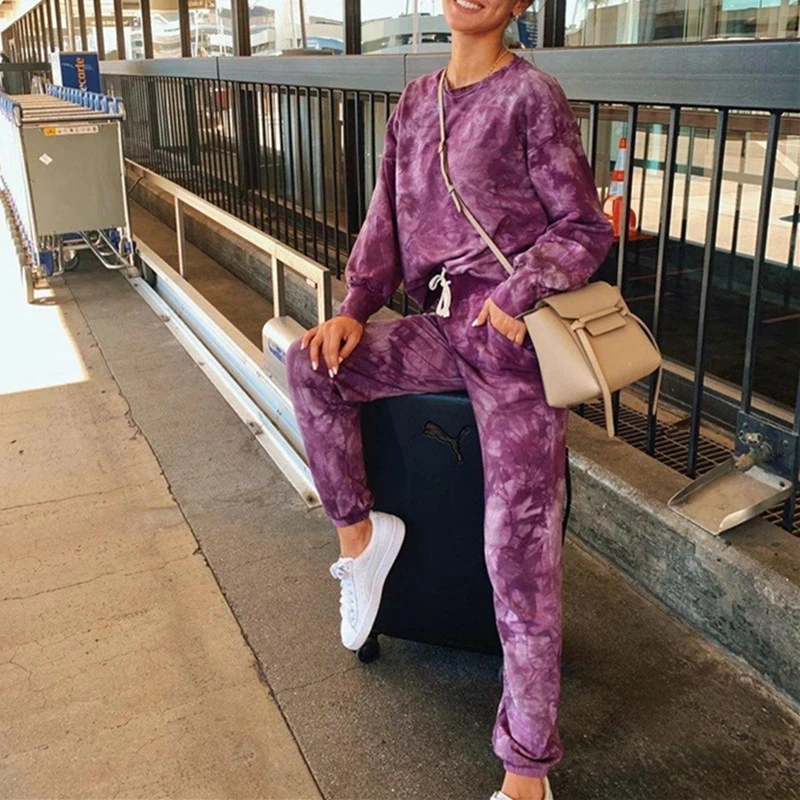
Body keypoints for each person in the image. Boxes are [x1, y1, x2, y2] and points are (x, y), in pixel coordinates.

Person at [286, 1, 613, 798]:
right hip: (438, 326)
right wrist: (354, 308)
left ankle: (526, 770)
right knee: (313, 366)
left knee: (519, 552)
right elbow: (385, 220)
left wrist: (519, 291)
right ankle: (362, 543)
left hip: (513, 346)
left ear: (519, 4)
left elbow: (583, 227)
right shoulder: (414, 101)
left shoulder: (530, 95)